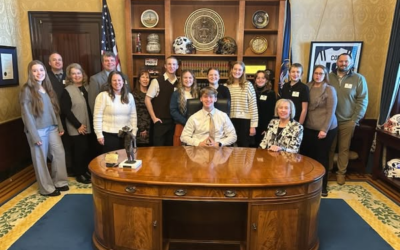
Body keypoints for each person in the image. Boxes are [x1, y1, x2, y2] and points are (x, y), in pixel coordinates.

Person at [19, 60, 68, 196]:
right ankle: (46, 188)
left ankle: (60, 182)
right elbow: (26, 114)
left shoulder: (47, 87)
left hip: (52, 127)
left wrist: (59, 125)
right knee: (40, 159)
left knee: (59, 153)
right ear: (30, 73)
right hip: (38, 130)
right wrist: (34, 135)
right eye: (35, 70)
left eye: (41, 70)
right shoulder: (27, 90)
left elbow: (54, 109)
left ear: (45, 72)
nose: (38, 73)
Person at [329, 53, 368, 185]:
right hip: (330, 121)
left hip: (348, 121)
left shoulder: (358, 79)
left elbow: (362, 100)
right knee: (330, 147)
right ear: (336, 62)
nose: (343, 64)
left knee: (344, 149)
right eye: (341, 61)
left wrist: (354, 120)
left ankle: (341, 173)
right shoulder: (329, 77)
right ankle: (328, 171)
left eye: (346, 61)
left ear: (351, 63)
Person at [301, 65, 338, 196]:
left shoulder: (329, 90)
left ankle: (323, 186)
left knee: (321, 157)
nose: (318, 76)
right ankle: (309, 184)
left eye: (321, 73)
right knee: (308, 157)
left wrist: (324, 130)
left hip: (325, 128)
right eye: (316, 73)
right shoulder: (307, 87)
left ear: (325, 75)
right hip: (309, 127)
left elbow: (331, 112)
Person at [60, 63, 92, 184]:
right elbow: (66, 111)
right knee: (79, 151)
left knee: (86, 150)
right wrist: (78, 125)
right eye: (73, 74)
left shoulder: (87, 88)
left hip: (89, 126)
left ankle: (85, 170)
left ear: (82, 74)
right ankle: (79, 174)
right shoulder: (67, 91)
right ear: (69, 76)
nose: (77, 76)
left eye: (79, 73)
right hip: (77, 127)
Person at [93, 71, 138, 153]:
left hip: (126, 135)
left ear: (123, 82)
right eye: (114, 80)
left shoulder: (129, 96)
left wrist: (134, 132)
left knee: (126, 160)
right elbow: (97, 116)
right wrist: (99, 134)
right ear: (110, 82)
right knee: (112, 162)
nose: (117, 82)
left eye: (119, 80)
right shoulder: (103, 96)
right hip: (109, 135)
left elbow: (133, 115)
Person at [47, 52, 73, 176]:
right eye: (54, 60)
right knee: (58, 145)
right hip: (55, 116)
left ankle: (71, 166)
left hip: (70, 114)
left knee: (71, 142)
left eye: (60, 59)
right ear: (49, 63)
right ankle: (62, 170)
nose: (58, 62)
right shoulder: (45, 77)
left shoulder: (69, 76)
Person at [145, 56, 179, 146]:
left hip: (174, 123)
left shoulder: (179, 83)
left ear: (177, 66)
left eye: (174, 64)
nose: (171, 66)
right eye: (169, 64)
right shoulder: (156, 81)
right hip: (160, 122)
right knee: (158, 152)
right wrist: (154, 118)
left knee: (171, 153)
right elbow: (147, 99)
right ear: (165, 66)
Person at [226, 61, 258, 147]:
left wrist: (253, 126)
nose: (237, 72)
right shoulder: (226, 86)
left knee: (243, 147)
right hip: (229, 120)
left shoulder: (248, 85)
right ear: (231, 70)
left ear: (243, 72)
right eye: (235, 69)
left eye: (239, 70)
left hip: (244, 121)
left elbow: (253, 106)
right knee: (229, 147)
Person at [253, 70, 276, 147]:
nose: (260, 80)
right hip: (253, 125)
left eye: (263, 78)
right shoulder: (252, 92)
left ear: (266, 80)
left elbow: (271, 112)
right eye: (258, 78)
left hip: (264, 126)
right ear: (255, 80)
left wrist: (267, 128)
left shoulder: (271, 93)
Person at [133, 70, 151, 146]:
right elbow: (135, 112)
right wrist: (142, 128)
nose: (145, 79)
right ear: (139, 80)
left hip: (151, 127)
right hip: (141, 128)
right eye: (143, 77)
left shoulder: (151, 93)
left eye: (147, 77)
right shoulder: (134, 94)